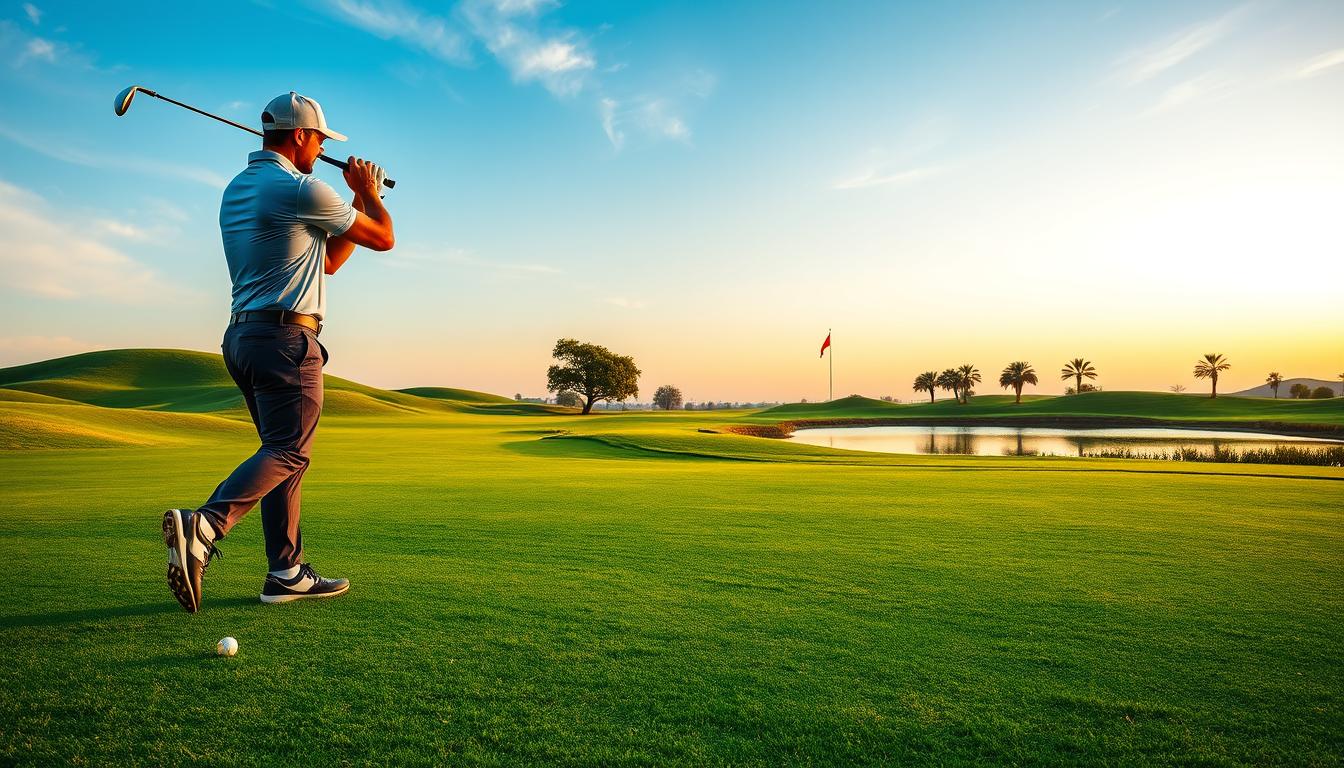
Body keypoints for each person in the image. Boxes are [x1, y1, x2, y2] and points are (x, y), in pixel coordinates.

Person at [162, 91, 395, 613]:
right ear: (299, 136)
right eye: (319, 138)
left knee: (282, 454)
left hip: (244, 337)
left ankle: (286, 572)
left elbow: (330, 261)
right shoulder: (302, 189)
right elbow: (383, 238)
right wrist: (369, 192)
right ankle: (205, 525)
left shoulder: (239, 187)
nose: (320, 148)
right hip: (287, 339)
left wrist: (352, 200)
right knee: (289, 450)